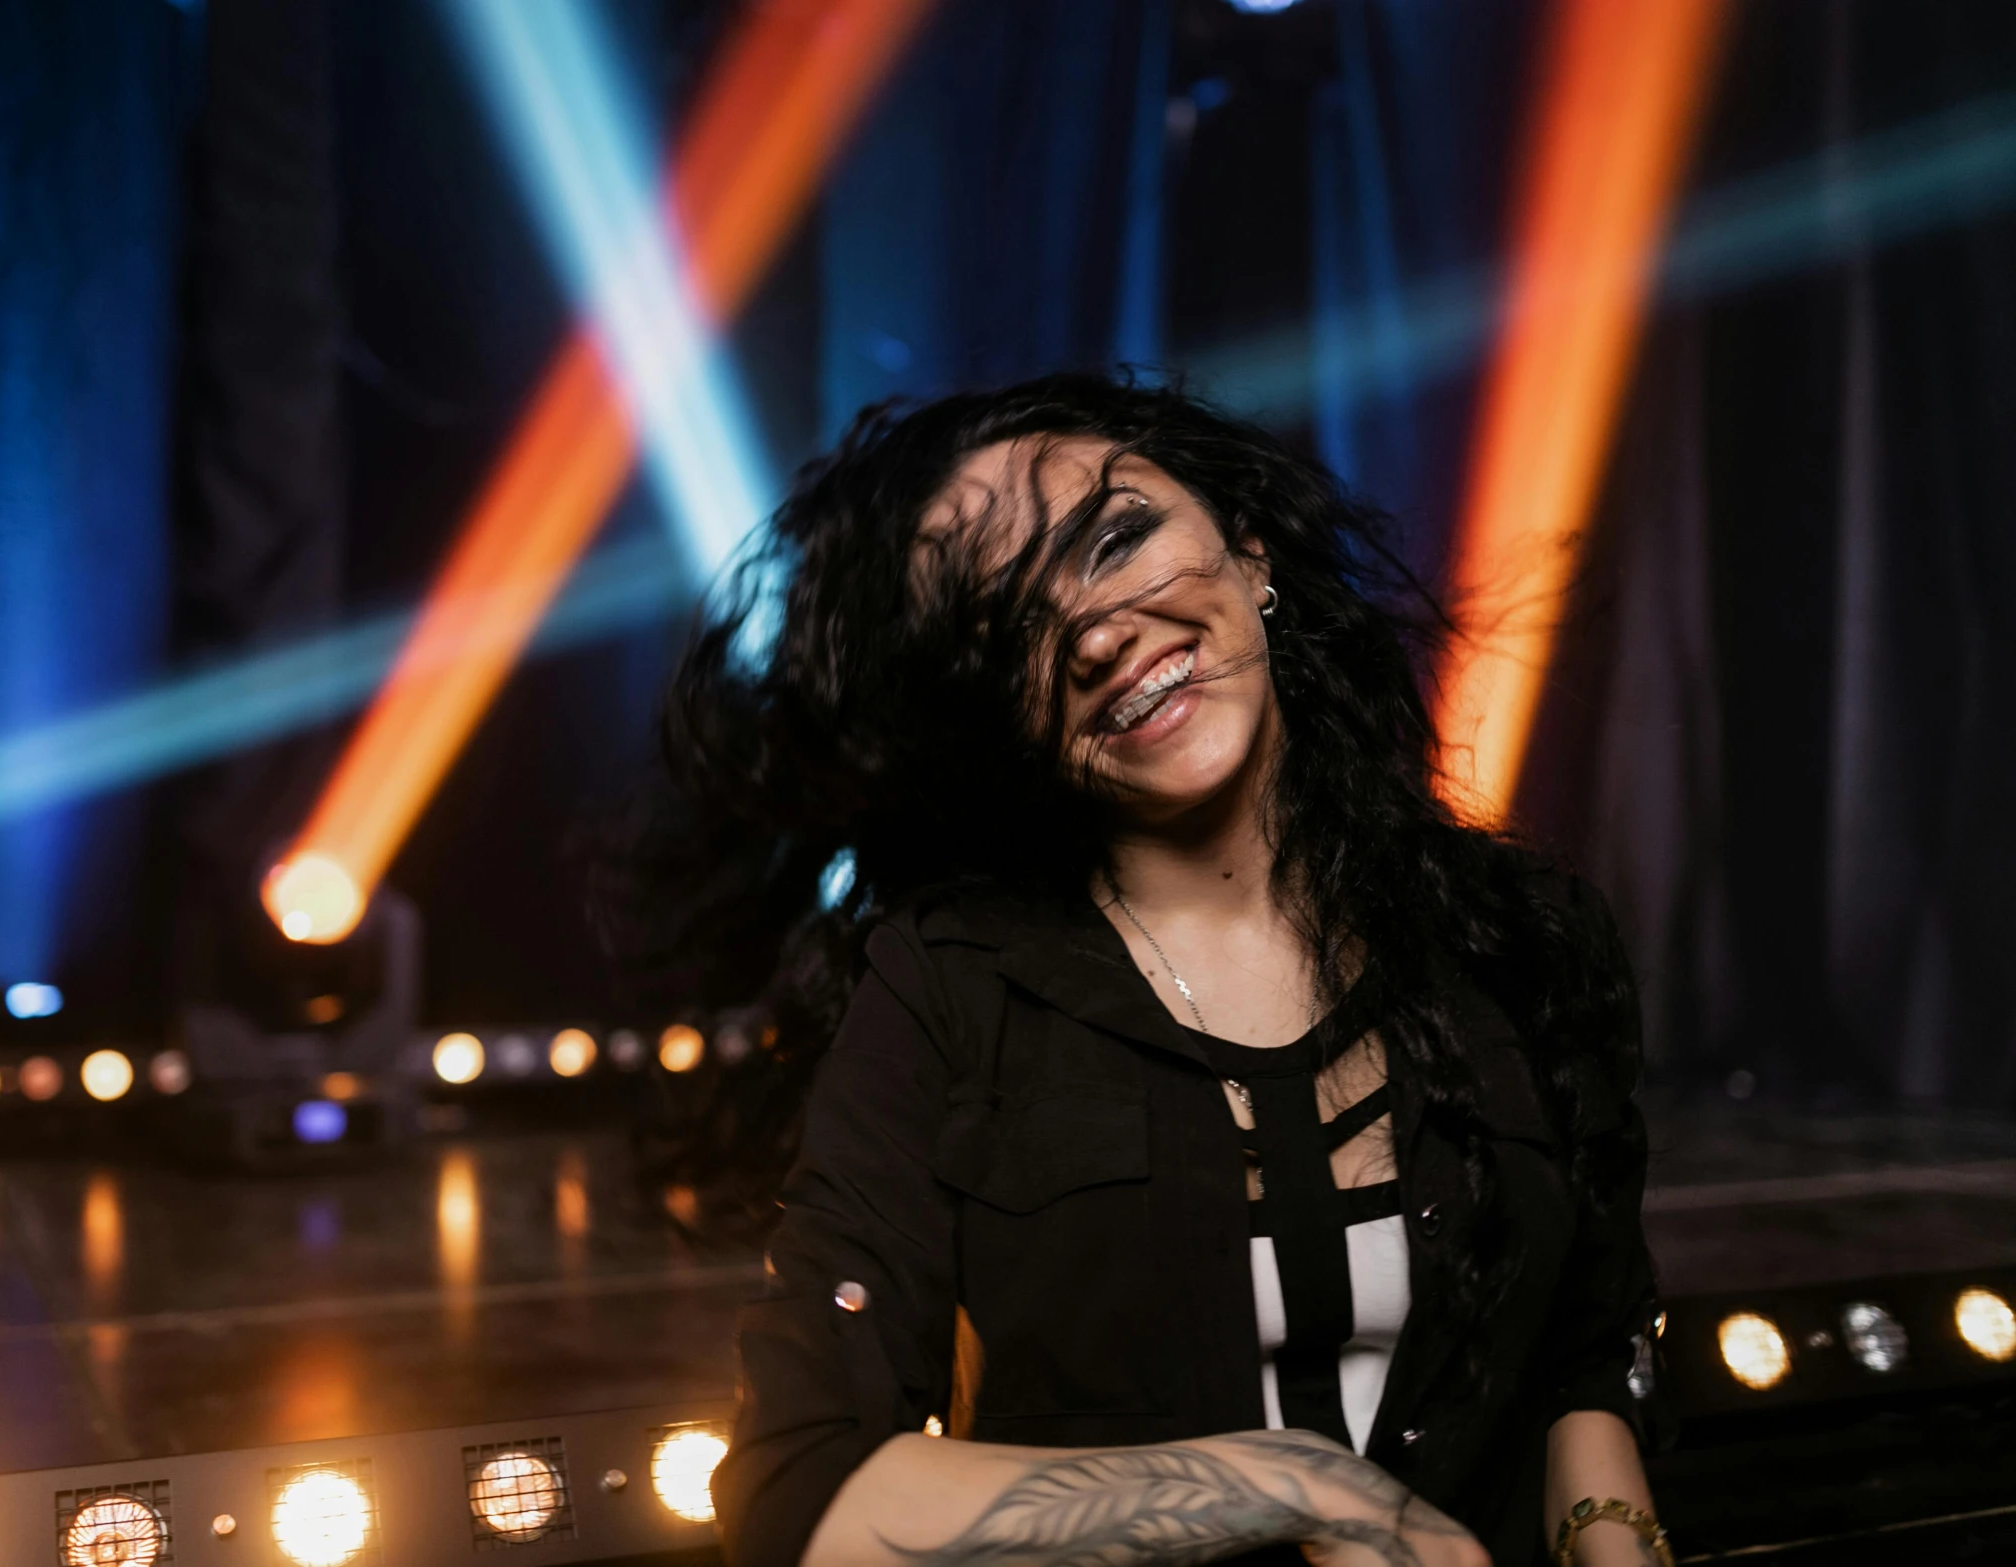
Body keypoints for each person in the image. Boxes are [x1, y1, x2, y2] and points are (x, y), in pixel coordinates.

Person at [604, 376, 1666, 1567]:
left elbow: (1585, 1342)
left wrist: (1607, 1525)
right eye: (1003, 625)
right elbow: (801, 1492)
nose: (1096, 631)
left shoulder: (1519, 933)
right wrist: (1289, 1486)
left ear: (1248, 551)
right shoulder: (942, 989)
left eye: (1117, 540)